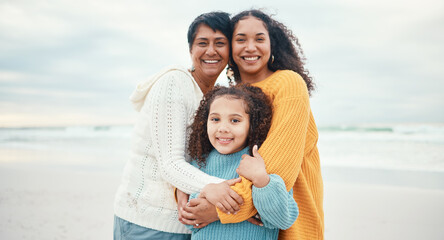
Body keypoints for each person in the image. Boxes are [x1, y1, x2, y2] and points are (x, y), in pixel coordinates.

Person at [180, 9, 324, 240]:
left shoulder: (289, 83)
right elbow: (206, 157)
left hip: (286, 218)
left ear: (272, 44)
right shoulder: (232, 98)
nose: (250, 47)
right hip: (239, 227)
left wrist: (219, 210)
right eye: (240, 40)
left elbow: (277, 169)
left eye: (259, 39)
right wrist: (185, 189)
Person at [113, 11, 244, 240]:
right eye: (202, 43)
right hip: (147, 221)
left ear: (230, 50)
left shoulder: (218, 96)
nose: (211, 51)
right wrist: (229, 191)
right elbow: (170, 164)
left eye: (220, 43)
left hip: (189, 224)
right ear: (191, 50)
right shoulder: (174, 83)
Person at [186, 85, 299, 240]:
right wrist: (206, 191)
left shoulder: (261, 161)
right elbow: (188, 220)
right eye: (215, 119)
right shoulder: (199, 161)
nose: (223, 128)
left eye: (235, 120)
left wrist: (261, 180)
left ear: (252, 124)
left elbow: (283, 220)